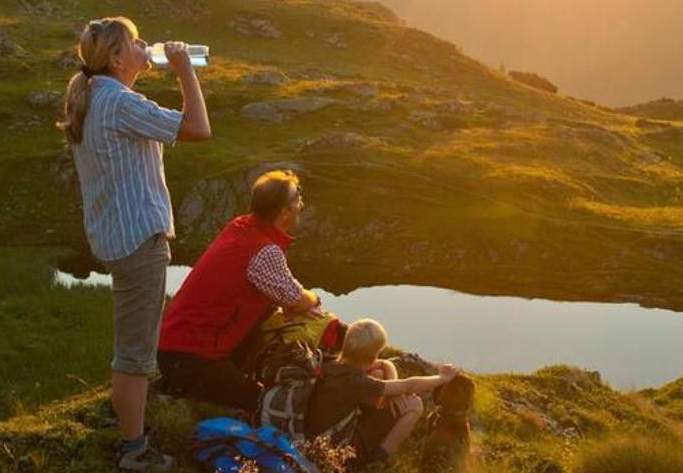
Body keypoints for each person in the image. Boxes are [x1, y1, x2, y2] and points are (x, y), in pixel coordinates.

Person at [62, 16, 211, 472]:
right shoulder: (119, 101)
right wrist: (185, 67)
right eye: (136, 42)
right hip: (137, 241)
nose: (146, 46)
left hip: (116, 235)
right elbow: (198, 128)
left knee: (134, 343)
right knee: (134, 354)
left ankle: (130, 428)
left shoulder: (96, 96)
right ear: (116, 57)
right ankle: (134, 451)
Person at [156, 170, 323, 411]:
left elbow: (280, 296)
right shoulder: (263, 250)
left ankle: (196, 379)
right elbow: (297, 300)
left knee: (268, 309)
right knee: (264, 402)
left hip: (175, 350)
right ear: (284, 212)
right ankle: (185, 389)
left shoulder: (239, 226)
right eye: (298, 198)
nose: (302, 203)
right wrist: (315, 299)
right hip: (192, 360)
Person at [305, 319, 459, 470]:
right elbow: (409, 385)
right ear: (374, 354)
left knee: (378, 373)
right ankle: (375, 463)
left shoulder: (331, 364)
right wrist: (442, 378)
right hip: (338, 452)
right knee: (414, 404)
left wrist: (392, 389)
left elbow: (384, 364)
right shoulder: (358, 382)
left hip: (315, 439)